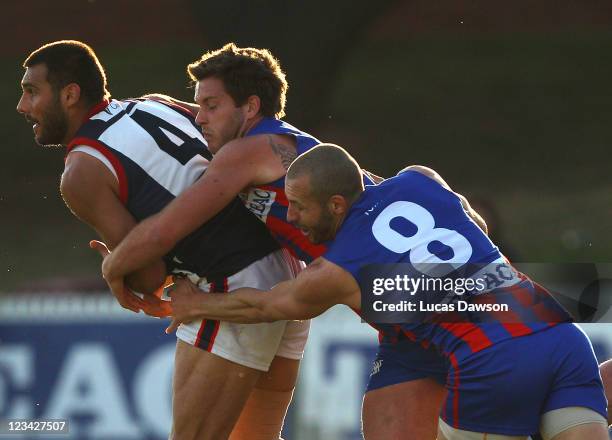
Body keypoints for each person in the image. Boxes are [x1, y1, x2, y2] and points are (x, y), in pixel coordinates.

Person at [93, 43, 482, 439]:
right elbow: (451, 207)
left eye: (211, 106)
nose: (199, 118)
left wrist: (114, 267)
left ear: (250, 107)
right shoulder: (290, 148)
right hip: (405, 313)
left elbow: (166, 229)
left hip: (406, 306)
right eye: (197, 106)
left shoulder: (247, 152)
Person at [164, 144, 609, 440]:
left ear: (336, 204)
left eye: (299, 205)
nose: (292, 217)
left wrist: (195, 303)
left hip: (494, 360)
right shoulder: (417, 180)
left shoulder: (336, 270)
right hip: (560, 336)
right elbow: (475, 223)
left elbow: (264, 305)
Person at [16, 40, 310, 440]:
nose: (22, 106)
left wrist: (118, 268)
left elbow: (149, 274)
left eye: (32, 91)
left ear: (69, 95)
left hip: (229, 281)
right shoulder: (155, 102)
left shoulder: (81, 172)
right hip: (287, 265)